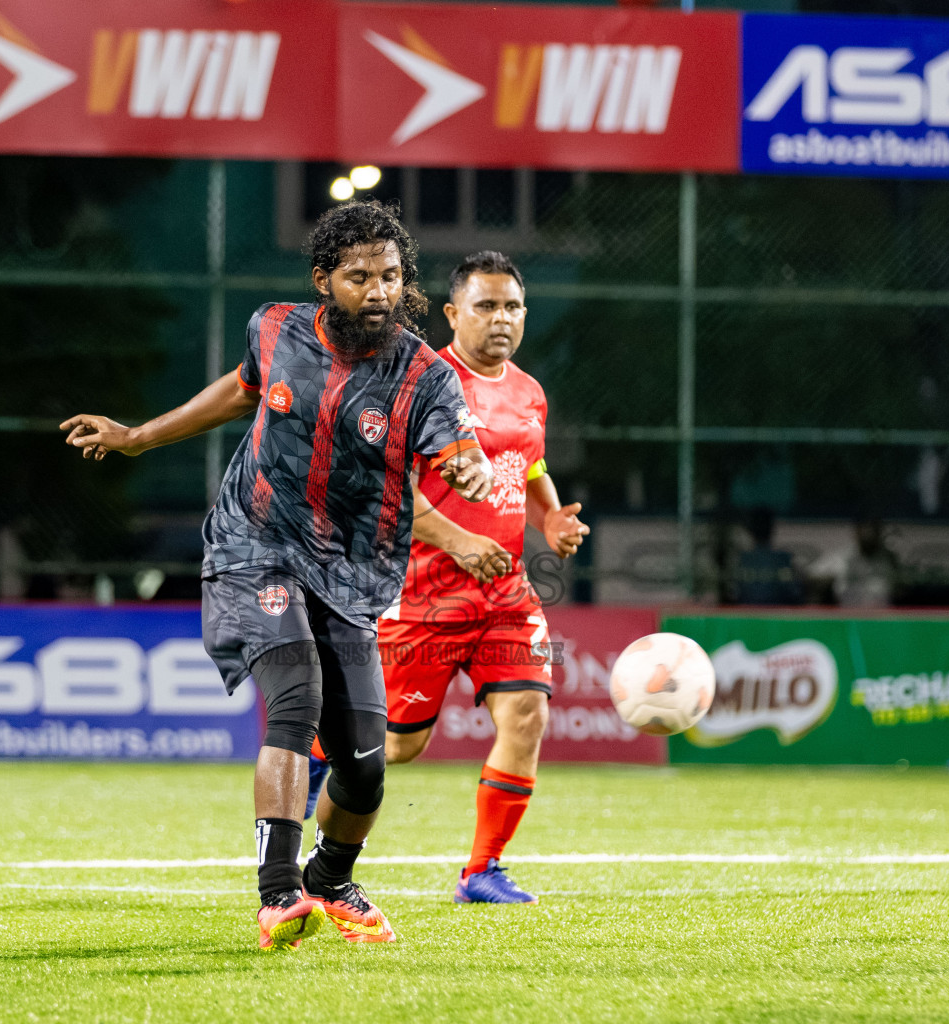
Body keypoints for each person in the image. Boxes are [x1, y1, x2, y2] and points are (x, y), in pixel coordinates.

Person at [59, 200, 493, 952]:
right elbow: (239, 389)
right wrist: (137, 438)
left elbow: (457, 444)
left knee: (364, 771)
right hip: (251, 546)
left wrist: (468, 463)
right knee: (296, 697)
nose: (380, 291)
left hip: (351, 574)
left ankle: (330, 878)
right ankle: (278, 893)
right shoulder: (275, 328)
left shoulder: (425, 375)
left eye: (391, 276)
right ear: (325, 279)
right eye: (360, 277)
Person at [305, 250, 588, 904]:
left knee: (526, 715)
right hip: (421, 597)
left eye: (513, 306)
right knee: (394, 750)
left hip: (507, 596)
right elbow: (388, 489)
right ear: (454, 313)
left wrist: (551, 522)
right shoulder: (419, 382)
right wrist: (459, 542)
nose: (502, 319)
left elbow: (531, 470)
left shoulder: (529, 392)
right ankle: (319, 795)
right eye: (486, 306)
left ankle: (482, 870)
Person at [731, 507, 803, 606]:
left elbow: (732, 595)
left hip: (775, 617)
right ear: (772, 529)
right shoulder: (783, 559)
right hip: (757, 616)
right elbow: (795, 594)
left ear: (751, 531)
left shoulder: (741, 559)